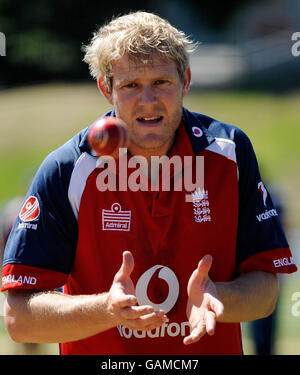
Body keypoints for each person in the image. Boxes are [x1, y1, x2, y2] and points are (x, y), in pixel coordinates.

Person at [1, 11, 297, 355]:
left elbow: (265, 292)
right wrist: (106, 309)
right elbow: (18, 318)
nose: (148, 101)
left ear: (185, 81)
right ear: (106, 88)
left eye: (161, 82)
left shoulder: (230, 154)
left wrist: (219, 295)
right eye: (130, 86)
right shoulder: (67, 168)